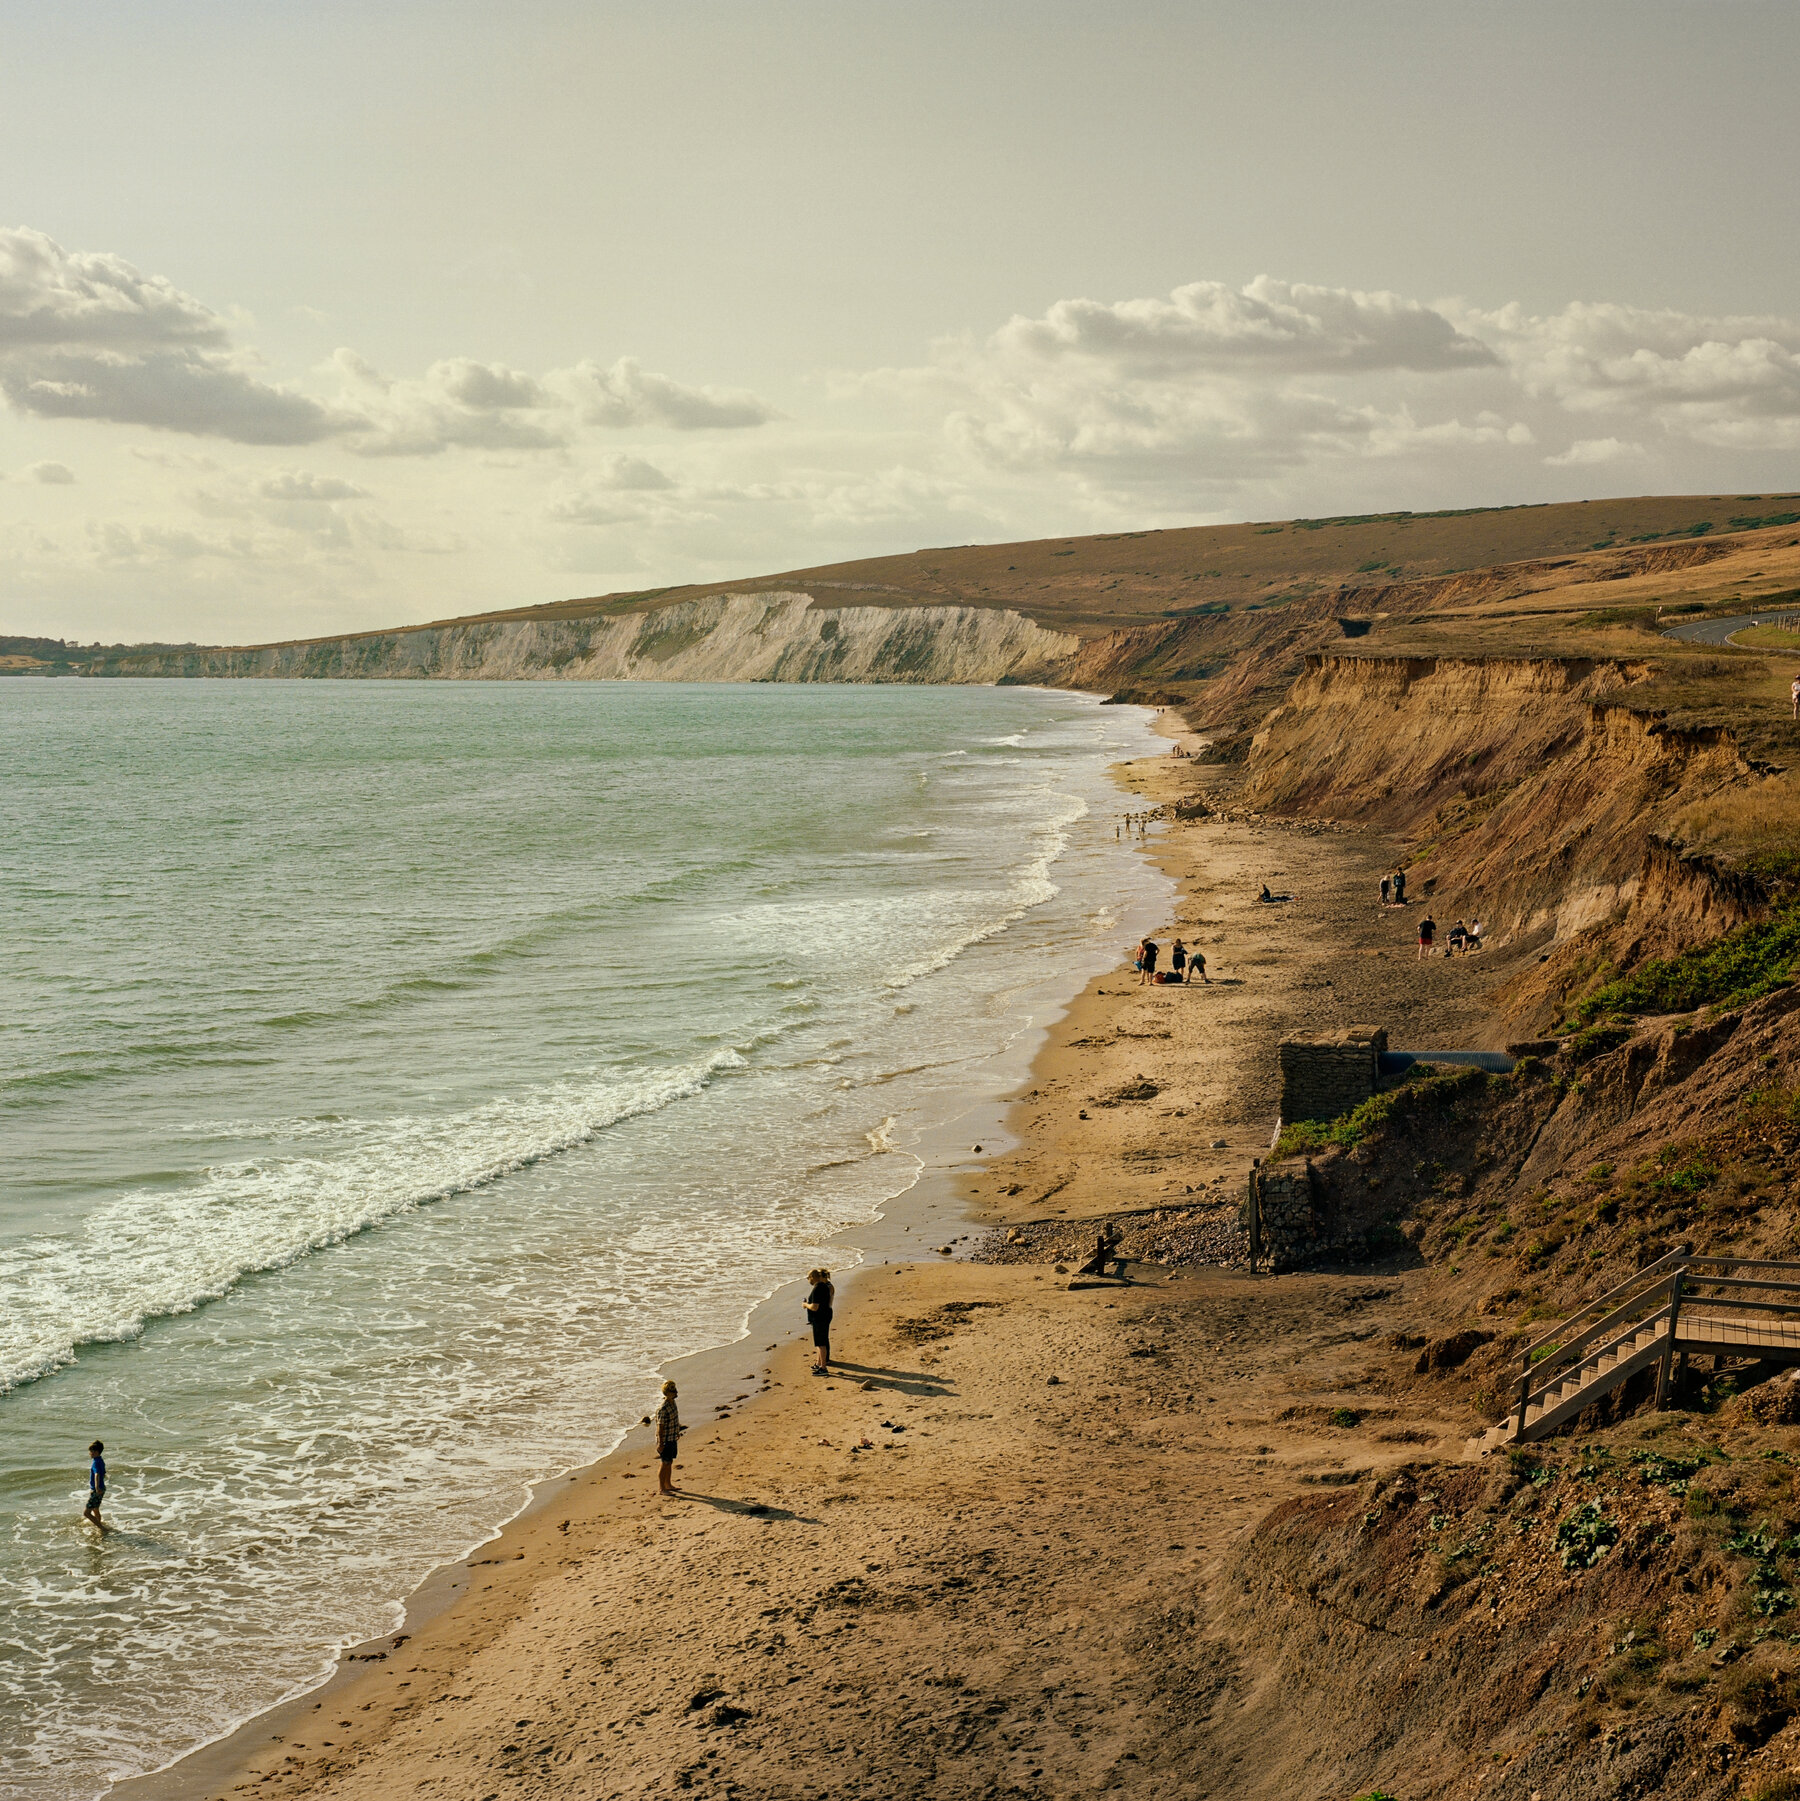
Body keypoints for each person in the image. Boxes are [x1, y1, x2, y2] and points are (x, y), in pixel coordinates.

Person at [805, 1268, 834, 1374]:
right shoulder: (825, 1286)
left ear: (812, 1277)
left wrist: (805, 1305)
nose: (808, 1280)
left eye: (808, 1278)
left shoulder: (818, 1288)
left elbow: (814, 1307)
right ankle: (819, 1363)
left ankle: (823, 1368)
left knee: (821, 1343)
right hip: (824, 1316)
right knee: (820, 1342)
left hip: (820, 1318)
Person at [654, 1381, 681, 1494]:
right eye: (673, 1391)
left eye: (675, 1390)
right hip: (665, 1441)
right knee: (664, 1463)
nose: (675, 1393)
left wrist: (677, 1432)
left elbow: (674, 1420)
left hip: (672, 1438)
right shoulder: (663, 1408)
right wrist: (660, 1443)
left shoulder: (673, 1403)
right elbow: (660, 1427)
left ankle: (668, 1484)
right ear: (667, 1393)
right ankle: (661, 1488)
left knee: (669, 1462)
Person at [84, 1441, 106, 1530]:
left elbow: (97, 1474)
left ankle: (102, 1528)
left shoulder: (95, 1462)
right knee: (95, 1509)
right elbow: (103, 1473)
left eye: (91, 1451)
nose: (90, 1453)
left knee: (86, 1513)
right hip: (102, 1488)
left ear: (96, 1452)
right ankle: (98, 1523)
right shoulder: (100, 1460)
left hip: (97, 1490)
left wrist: (96, 1488)